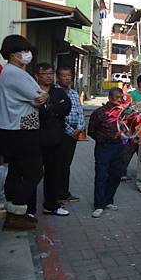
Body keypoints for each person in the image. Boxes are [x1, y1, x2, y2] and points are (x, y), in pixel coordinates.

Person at [0, 35, 47, 231]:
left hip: (15, 129)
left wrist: (41, 95)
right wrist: (44, 94)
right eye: (23, 51)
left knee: (16, 171)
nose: (27, 54)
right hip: (21, 130)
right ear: (13, 54)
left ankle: (14, 214)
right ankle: (16, 214)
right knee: (34, 172)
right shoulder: (14, 73)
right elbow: (38, 98)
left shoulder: (11, 72)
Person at [33, 63, 72, 216]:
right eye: (45, 73)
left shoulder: (58, 92)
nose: (49, 76)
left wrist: (49, 108)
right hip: (36, 139)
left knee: (53, 174)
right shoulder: (32, 90)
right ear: (37, 75)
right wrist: (54, 110)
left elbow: (66, 109)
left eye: (51, 73)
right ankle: (29, 209)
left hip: (56, 140)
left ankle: (51, 205)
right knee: (33, 173)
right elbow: (37, 111)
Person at [88, 88, 125, 218]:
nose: (120, 100)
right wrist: (105, 139)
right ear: (110, 98)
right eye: (117, 97)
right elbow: (91, 131)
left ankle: (108, 200)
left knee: (116, 174)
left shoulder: (124, 113)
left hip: (119, 147)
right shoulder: (100, 113)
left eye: (122, 97)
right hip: (104, 148)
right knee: (101, 176)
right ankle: (99, 205)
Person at [56, 66, 85, 203]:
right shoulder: (55, 92)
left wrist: (79, 128)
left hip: (74, 134)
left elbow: (80, 112)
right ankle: (56, 194)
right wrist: (70, 131)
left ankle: (64, 192)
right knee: (58, 165)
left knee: (66, 164)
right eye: (64, 75)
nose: (67, 78)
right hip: (62, 133)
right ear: (58, 77)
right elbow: (57, 117)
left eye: (69, 75)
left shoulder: (74, 93)